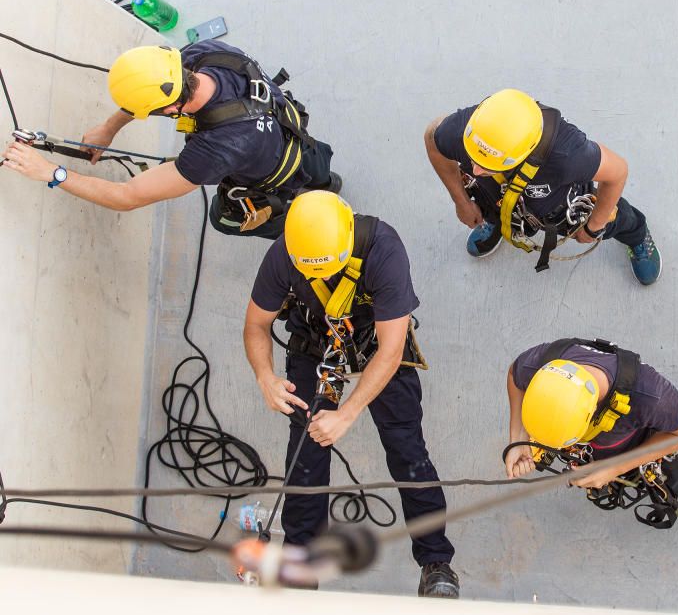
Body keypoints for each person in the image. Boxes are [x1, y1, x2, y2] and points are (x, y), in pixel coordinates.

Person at [242, 190, 458, 597]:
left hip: (374, 343)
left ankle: (436, 562)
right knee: (306, 454)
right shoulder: (285, 253)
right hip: (316, 343)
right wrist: (265, 376)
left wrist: (348, 411)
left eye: (328, 270)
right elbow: (256, 324)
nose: (321, 278)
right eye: (313, 273)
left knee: (407, 449)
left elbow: (391, 348)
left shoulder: (382, 249)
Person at [3, 41, 340, 239]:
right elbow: (155, 89)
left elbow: (127, 196)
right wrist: (110, 127)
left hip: (273, 172)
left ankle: (309, 227)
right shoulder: (202, 55)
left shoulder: (214, 149)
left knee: (223, 219)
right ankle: (329, 182)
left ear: (170, 109)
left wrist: (51, 173)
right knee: (318, 168)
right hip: (293, 131)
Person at [425, 88, 661, 283]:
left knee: (618, 218)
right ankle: (499, 223)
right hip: (493, 195)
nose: (475, 169)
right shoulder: (462, 133)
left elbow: (617, 172)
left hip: (562, 206)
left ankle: (638, 236)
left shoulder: (567, 154)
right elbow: (432, 139)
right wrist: (462, 201)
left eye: (489, 164)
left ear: (523, 154)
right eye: (474, 158)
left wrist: (593, 227)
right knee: (493, 207)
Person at [504, 338, 678, 527]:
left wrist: (616, 468)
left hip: (633, 439)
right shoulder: (540, 363)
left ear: (591, 412)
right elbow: (514, 375)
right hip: (599, 443)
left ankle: (676, 456)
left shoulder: (650, 396)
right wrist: (519, 439)